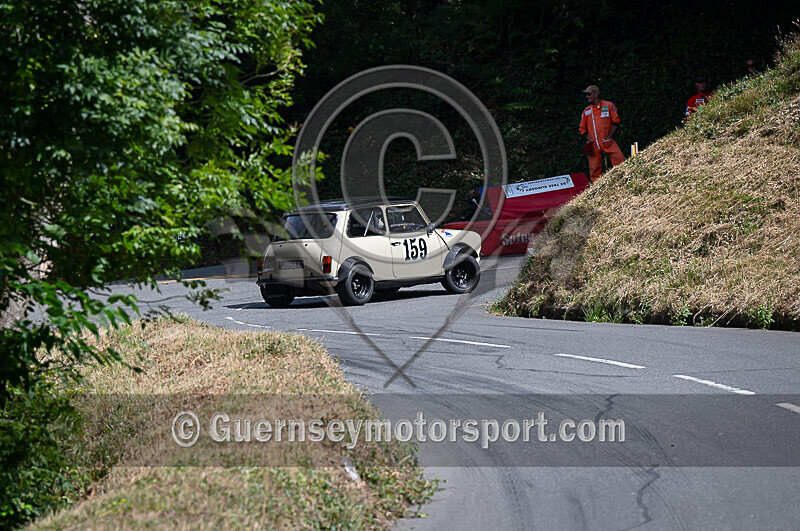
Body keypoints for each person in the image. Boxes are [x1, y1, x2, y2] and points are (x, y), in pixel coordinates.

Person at [578, 85, 624, 181]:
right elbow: (582, 128)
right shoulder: (586, 111)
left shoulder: (608, 105)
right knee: (594, 168)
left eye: (589, 94)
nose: (587, 96)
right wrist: (588, 138)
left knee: (619, 160)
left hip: (607, 141)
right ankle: (596, 186)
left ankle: (622, 179)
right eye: (586, 94)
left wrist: (609, 137)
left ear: (596, 94)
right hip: (593, 144)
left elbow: (616, 122)